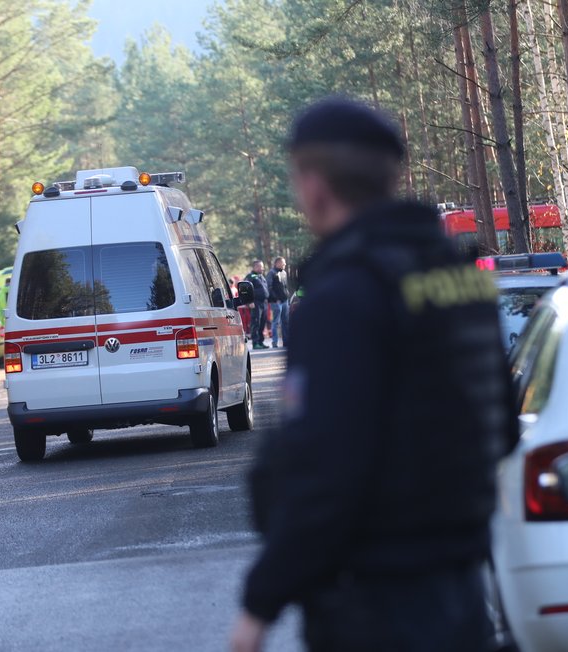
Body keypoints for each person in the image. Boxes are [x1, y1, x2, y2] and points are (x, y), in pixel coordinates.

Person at [231, 97, 518, 652]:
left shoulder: (343, 298)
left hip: (376, 608)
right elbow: (500, 428)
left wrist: (260, 604)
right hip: (465, 596)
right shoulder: (463, 284)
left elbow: (325, 476)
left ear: (315, 186)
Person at [266, 257, 290, 347]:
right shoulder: (271, 273)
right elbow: (269, 287)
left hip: (285, 301)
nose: (285, 265)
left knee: (285, 322)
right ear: (277, 263)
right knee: (276, 322)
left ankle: (286, 342)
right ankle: (274, 342)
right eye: (283, 263)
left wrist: (287, 296)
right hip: (276, 302)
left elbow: (285, 287)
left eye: (285, 263)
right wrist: (275, 299)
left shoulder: (284, 273)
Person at [245, 260, 270, 350]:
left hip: (264, 303)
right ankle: (255, 343)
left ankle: (260, 342)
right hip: (255, 303)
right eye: (259, 266)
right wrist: (249, 302)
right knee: (256, 323)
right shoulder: (250, 277)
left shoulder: (261, 277)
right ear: (254, 267)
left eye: (262, 266)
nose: (262, 268)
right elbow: (246, 290)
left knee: (262, 323)